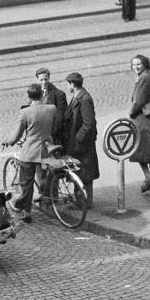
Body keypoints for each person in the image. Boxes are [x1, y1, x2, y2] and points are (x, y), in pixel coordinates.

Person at [4, 82, 57, 225]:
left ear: (29, 97)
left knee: (26, 183)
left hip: (30, 151)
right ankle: (46, 197)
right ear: (41, 94)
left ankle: (26, 212)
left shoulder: (25, 112)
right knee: (44, 176)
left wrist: (9, 142)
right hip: (46, 149)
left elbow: (17, 136)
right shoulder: (52, 109)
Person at [127, 54, 150, 193]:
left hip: (142, 118)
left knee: (139, 150)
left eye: (138, 64)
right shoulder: (149, 76)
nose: (135, 67)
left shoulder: (143, 78)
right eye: (133, 65)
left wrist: (131, 114)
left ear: (145, 64)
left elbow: (138, 101)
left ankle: (148, 177)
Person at [63, 72, 100, 207]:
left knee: (84, 174)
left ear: (72, 84)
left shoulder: (84, 99)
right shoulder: (78, 97)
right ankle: (81, 201)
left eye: (68, 84)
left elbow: (88, 123)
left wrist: (78, 139)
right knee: (79, 172)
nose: (67, 87)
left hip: (82, 145)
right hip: (77, 144)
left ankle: (85, 203)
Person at [35, 66, 67, 149]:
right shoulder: (35, 94)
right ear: (37, 80)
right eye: (41, 80)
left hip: (53, 135)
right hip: (39, 134)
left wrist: (50, 133)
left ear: (49, 78)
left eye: (45, 79)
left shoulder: (59, 95)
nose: (43, 82)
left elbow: (60, 118)